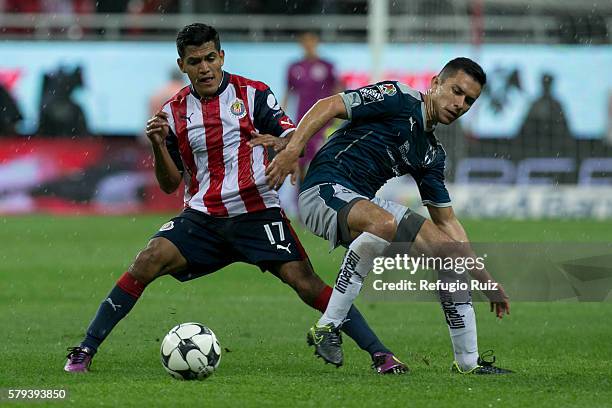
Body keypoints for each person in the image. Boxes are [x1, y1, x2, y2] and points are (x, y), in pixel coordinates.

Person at [64, 23, 406, 375]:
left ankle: (380, 354)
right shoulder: (174, 113)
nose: (205, 67)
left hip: (257, 212)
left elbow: (290, 133)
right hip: (203, 218)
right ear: (182, 65)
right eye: (195, 61)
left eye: (210, 58)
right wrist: (157, 144)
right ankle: (84, 350)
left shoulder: (253, 94)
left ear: (221, 56)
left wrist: (284, 145)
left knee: (305, 282)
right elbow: (169, 185)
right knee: (147, 260)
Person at [257, 57, 513, 374]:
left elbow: (447, 221)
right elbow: (329, 105)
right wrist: (294, 149)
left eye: (469, 100)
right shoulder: (397, 97)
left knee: (448, 255)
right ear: (435, 83)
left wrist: (486, 280)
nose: (459, 104)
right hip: (322, 191)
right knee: (383, 224)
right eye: (456, 91)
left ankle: (468, 363)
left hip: (364, 204)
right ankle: (328, 325)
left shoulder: (431, 153)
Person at [283, 31, 340, 175]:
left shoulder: (327, 66)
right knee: (300, 157)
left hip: (324, 120)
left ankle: (324, 192)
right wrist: (281, 116)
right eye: (305, 42)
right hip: (302, 119)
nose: (308, 45)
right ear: (301, 45)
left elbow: (338, 90)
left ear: (316, 43)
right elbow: (288, 93)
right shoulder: (294, 67)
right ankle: (301, 194)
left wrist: (337, 116)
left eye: (311, 42)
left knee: (325, 157)